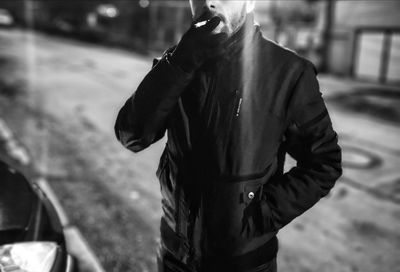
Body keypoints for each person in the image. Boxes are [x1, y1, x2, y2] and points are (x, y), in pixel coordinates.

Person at [114, 0, 342, 271]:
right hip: (174, 257)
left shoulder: (289, 73)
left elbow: (323, 164)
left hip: (244, 264)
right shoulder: (177, 62)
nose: (209, 1)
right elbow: (132, 136)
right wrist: (179, 64)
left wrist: (258, 216)